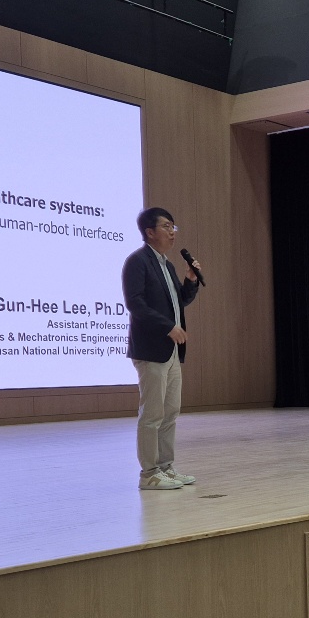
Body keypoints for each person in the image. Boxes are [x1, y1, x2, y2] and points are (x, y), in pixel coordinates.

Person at [122, 207, 202, 490]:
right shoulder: (137, 261)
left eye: (173, 226)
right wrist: (168, 326)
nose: (172, 232)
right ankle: (149, 474)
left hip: (171, 351)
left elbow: (179, 302)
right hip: (151, 349)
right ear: (150, 232)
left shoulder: (167, 265)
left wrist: (190, 281)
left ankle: (166, 467)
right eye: (166, 226)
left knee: (170, 413)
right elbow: (135, 304)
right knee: (152, 414)